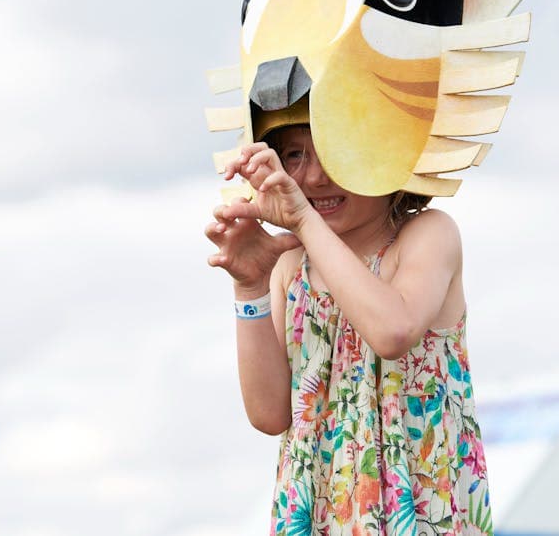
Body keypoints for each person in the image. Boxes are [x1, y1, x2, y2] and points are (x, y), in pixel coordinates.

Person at [205, 123, 492, 535]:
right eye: (294, 156)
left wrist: (303, 220)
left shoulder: (427, 235)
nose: (315, 176)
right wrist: (250, 287)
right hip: (320, 512)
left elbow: (393, 331)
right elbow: (269, 414)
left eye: (337, 149)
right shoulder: (291, 268)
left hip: (422, 508)